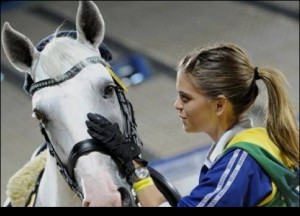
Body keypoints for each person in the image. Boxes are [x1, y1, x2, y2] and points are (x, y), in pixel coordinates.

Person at [86, 42, 299, 207]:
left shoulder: (240, 163)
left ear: (219, 105)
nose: (177, 105)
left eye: (186, 98)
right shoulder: (257, 142)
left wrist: (133, 165)